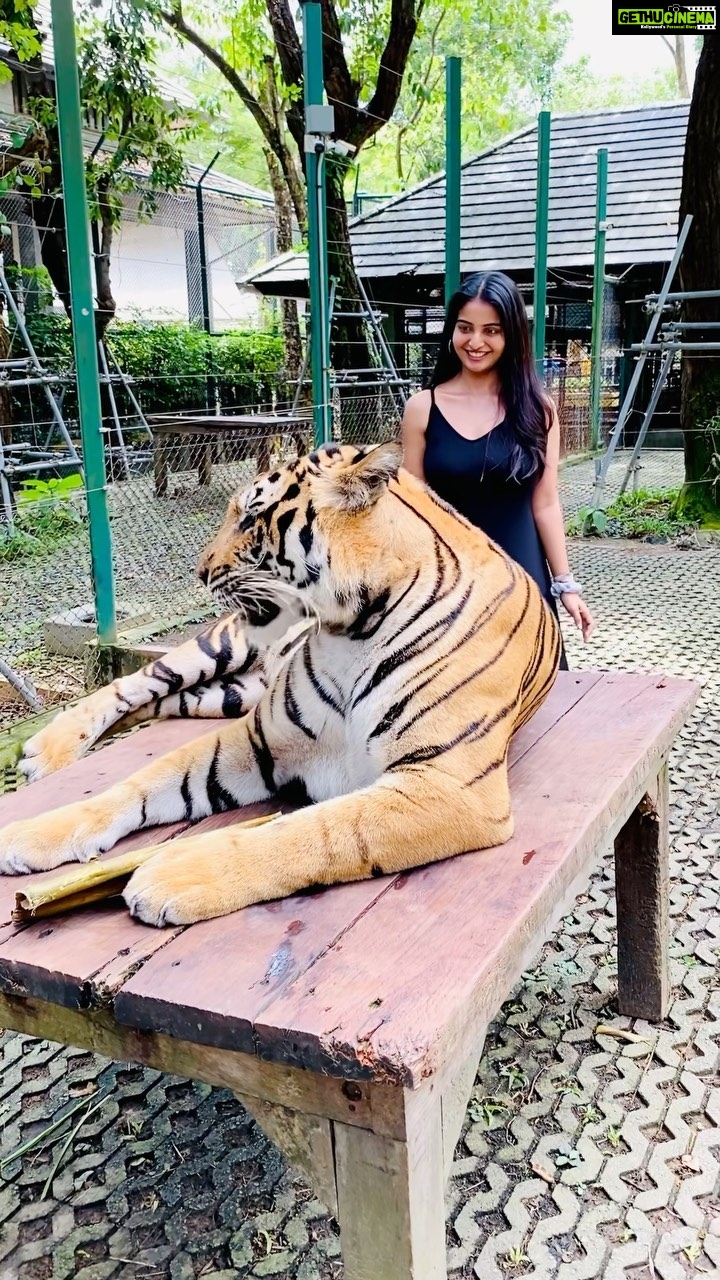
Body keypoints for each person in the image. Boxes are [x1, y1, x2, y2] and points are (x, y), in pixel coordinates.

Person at [400, 270, 595, 667]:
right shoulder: (422, 408)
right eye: (465, 328)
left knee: (536, 703)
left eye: (492, 330)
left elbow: (545, 504)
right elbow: (411, 507)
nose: (475, 342)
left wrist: (566, 585)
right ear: (451, 331)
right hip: (449, 585)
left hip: (521, 579)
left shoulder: (538, 411)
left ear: (511, 337)